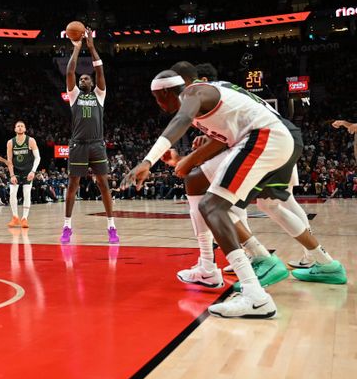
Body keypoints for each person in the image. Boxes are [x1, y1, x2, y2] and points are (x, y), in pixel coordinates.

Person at [124, 70, 345, 318]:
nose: (157, 104)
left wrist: (147, 161)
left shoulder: (193, 93)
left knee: (217, 206)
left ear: (164, 93)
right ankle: (210, 267)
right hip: (266, 139)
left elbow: (181, 121)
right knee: (200, 185)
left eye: (156, 98)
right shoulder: (209, 104)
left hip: (266, 138)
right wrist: (182, 160)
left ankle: (255, 294)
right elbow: (219, 142)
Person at [166, 62, 345, 290]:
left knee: (212, 196)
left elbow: (234, 136)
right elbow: (229, 134)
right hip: (285, 134)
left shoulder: (203, 95)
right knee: (273, 204)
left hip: (270, 137)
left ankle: (252, 258)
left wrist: (189, 157)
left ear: (195, 81)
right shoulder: (224, 89)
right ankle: (325, 262)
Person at [61, 23, 118, 244]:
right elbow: (69, 72)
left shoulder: (99, 94)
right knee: (72, 185)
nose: (83, 79)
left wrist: (91, 47)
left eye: (86, 78)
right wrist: (76, 47)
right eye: (81, 78)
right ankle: (67, 227)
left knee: (103, 184)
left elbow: (100, 70)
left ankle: (111, 227)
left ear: (93, 83)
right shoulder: (74, 95)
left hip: (96, 143)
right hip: (78, 144)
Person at [6, 120, 40, 228]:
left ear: (25, 129)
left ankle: (24, 218)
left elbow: (38, 157)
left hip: (28, 172)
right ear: (15, 129)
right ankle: (15, 217)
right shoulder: (10, 142)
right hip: (15, 171)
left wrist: (33, 171)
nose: (20, 127)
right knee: (12, 193)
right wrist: (11, 175)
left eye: (22, 126)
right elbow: (9, 160)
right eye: (18, 126)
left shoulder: (31, 141)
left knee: (26, 194)